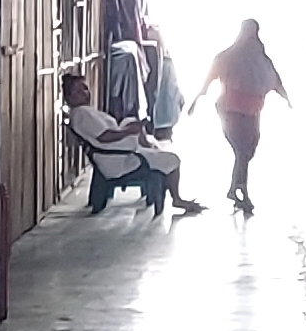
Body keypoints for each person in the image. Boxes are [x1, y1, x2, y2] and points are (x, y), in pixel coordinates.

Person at [62, 64, 203, 217]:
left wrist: (129, 128)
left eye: (85, 88)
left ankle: (150, 148)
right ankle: (177, 199)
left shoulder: (84, 112)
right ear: (69, 97)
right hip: (119, 159)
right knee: (173, 160)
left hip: (117, 152)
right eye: (78, 91)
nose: (85, 93)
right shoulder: (82, 115)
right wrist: (128, 131)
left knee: (133, 122)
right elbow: (105, 136)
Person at [191, 18, 290, 216]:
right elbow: (210, 76)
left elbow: (275, 79)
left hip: (252, 111)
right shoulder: (228, 56)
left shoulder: (261, 59)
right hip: (230, 110)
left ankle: (234, 188)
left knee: (248, 149)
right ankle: (241, 191)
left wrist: (286, 98)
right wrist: (197, 98)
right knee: (242, 150)